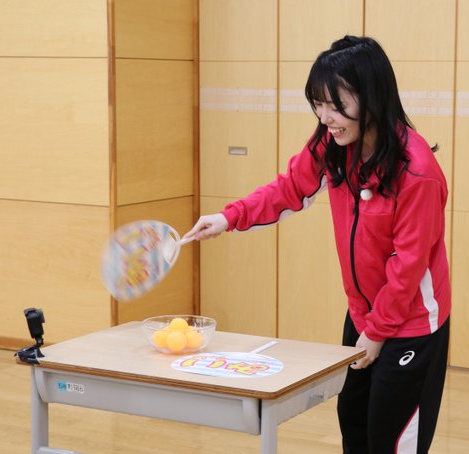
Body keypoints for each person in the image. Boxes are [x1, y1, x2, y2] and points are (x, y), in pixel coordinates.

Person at [184, 35, 451, 454]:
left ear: (372, 97)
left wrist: (377, 333)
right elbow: (289, 189)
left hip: (412, 325)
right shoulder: (334, 145)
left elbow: (408, 265)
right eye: (318, 104)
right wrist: (228, 218)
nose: (326, 117)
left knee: (391, 439)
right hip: (363, 313)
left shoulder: (417, 173)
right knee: (354, 428)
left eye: (336, 105)